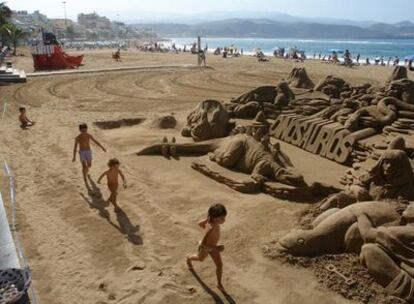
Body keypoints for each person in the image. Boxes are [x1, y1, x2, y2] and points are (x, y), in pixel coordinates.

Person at [321, 149, 414, 211]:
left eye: (393, 164)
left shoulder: (406, 187)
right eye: (386, 162)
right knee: (337, 198)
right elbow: (358, 183)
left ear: (401, 168)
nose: (388, 167)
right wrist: (357, 189)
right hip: (358, 205)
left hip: (374, 215)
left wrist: (371, 202)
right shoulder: (375, 178)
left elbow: (400, 208)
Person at [358, 203, 414, 303]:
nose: (409, 204)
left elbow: (367, 234)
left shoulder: (405, 232)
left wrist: (360, 214)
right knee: (380, 248)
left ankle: (403, 291)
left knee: (368, 249)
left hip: (411, 288)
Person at [186, 203, 227, 292]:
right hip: (205, 248)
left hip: (213, 247)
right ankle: (189, 258)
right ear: (215, 217)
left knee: (219, 265)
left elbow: (200, 223)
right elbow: (204, 243)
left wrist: (208, 219)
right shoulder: (210, 227)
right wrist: (217, 247)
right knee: (200, 259)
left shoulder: (212, 222)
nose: (224, 220)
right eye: (222, 218)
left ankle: (219, 284)